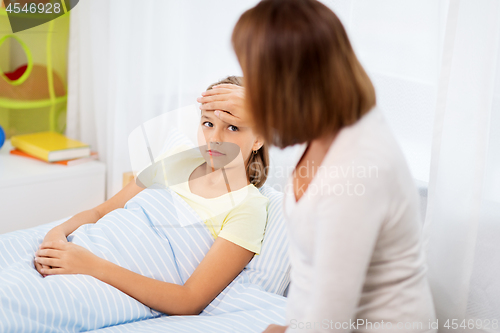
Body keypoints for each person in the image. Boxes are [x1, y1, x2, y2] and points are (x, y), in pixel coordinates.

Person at [197, 1, 437, 332]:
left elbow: (330, 323)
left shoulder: (357, 170)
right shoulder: (327, 127)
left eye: (257, 80)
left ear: (291, 83)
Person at [34, 76, 270, 316]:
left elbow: (189, 301)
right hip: (83, 248)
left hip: (99, 278)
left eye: (232, 127)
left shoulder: (248, 207)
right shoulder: (179, 158)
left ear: (259, 139)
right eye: (208, 123)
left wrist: (89, 265)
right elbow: (100, 212)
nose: (215, 138)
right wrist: (56, 234)